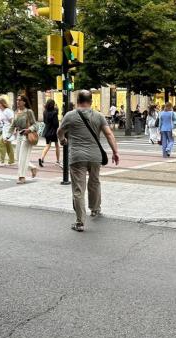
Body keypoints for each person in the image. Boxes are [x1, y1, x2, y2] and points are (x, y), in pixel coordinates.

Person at [57, 90, 120, 232]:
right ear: (91, 101)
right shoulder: (98, 116)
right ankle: (95, 209)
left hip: (77, 157)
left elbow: (59, 131)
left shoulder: (70, 116)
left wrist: (63, 140)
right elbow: (109, 134)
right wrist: (115, 152)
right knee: (95, 183)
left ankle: (80, 222)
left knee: (79, 189)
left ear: (77, 100)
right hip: (95, 156)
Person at [7, 95, 38, 184]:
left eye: (19, 100)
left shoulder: (29, 112)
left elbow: (36, 125)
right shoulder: (16, 112)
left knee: (23, 158)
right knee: (18, 158)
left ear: (24, 102)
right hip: (19, 137)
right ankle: (32, 167)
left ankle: (22, 177)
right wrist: (7, 136)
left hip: (27, 137)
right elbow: (13, 126)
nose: (17, 101)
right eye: (17, 100)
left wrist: (29, 129)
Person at [39, 99, 61, 167]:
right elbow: (56, 124)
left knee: (47, 145)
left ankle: (41, 158)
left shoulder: (45, 112)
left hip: (47, 130)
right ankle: (57, 161)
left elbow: (45, 121)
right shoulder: (54, 113)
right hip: (53, 132)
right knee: (57, 145)